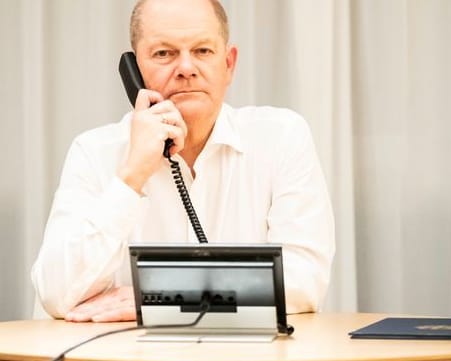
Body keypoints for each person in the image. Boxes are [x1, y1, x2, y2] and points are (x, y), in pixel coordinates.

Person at [31, 0, 335, 322]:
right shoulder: (94, 151)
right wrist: (132, 175)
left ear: (228, 64)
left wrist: (161, 297)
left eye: (203, 51)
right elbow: (55, 294)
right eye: (164, 53)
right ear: (134, 70)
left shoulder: (281, 137)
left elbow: (305, 279)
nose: (186, 68)